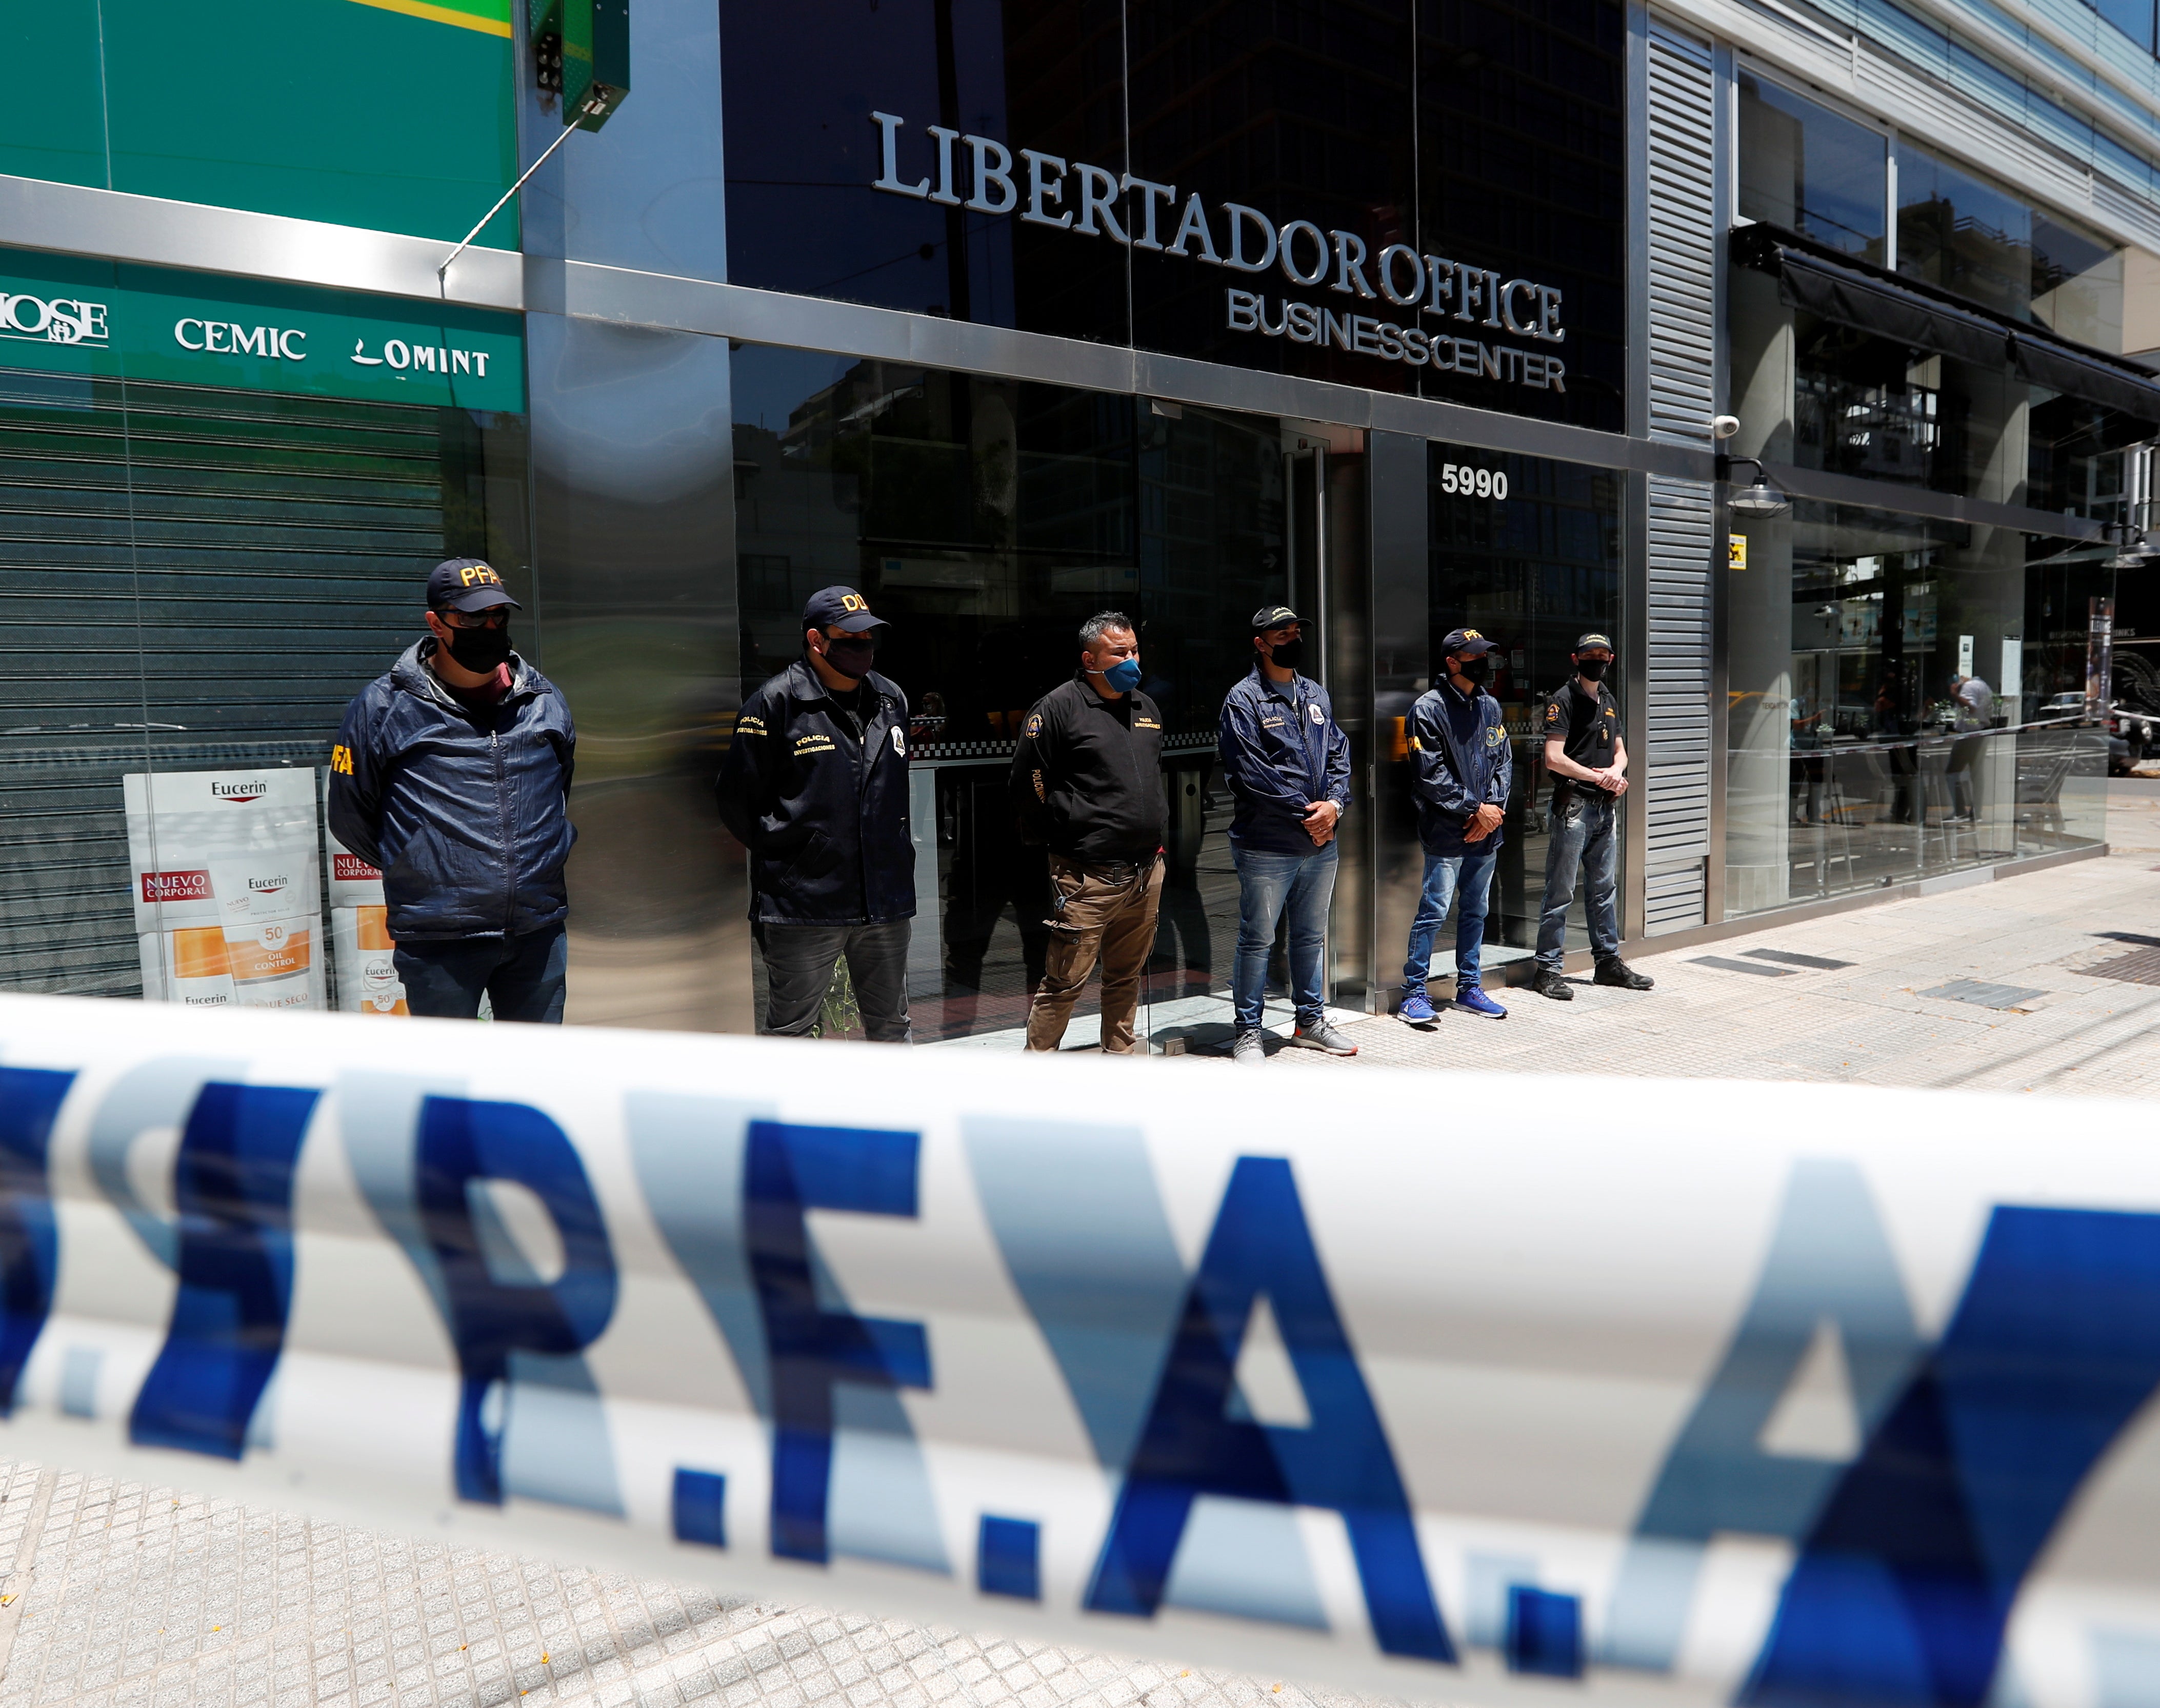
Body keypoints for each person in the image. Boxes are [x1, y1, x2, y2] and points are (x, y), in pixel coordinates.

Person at [327, 557, 576, 1021]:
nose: (488, 625)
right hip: (439, 938)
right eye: (471, 617)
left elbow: (558, 791)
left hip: (537, 930)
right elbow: (350, 816)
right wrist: (424, 864)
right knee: (448, 1081)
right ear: (436, 623)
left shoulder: (544, 701)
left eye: (497, 615)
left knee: (536, 1073)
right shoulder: (383, 708)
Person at [714, 587, 915, 1041]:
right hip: (806, 903)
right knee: (791, 1032)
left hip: (884, 899)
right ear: (817, 640)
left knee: (892, 1027)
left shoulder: (890, 699)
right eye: (850, 638)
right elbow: (736, 800)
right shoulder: (775, 702)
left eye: (868, 639)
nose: (863, 648)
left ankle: (892, 1112)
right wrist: (798, 856)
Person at [1009, 612, 1166, 1053]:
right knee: (1064, 984)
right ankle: (1036, 1079)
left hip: (1145, 872)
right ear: (1089, 657)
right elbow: (1028, 783)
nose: (1131, 658)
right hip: (1087, 878)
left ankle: (1119, 1064)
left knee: (1125, 978)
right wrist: (1066, 837)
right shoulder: (1058, 708)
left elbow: (1151, 775)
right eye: (1120, 652)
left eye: (1134, 650)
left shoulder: (1146, 707)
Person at [1216, 605, 1358, 1064]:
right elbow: (1251, 773)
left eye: (1297, 631)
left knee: (1310, 936)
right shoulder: (1244, 699)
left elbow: (1339, 753)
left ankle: (1309, 1021)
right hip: (1268, 843)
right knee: (1258, 938)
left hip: (1321, 841)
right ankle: (1248, 1032)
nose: (1294, 638)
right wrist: (1310, 814)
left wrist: (1335, 806)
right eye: (1283, 633)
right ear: (1260, 643)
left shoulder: (1315, 694)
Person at [1529, 632, 1654, 1001]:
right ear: (1576, 658)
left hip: (1604, 808)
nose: (1595, 659)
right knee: (1561, 890)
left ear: (1610, 659)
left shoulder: (1608, 699)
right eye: (1589, 654)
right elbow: (1554, 757)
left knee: (1604, 891)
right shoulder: (1563, 700)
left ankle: (1608, 963)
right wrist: (1600, 776)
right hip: (1575, 807)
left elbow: (1620, 750)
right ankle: (1548, 970)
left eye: (1602, 654)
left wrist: (1616, 772)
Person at [1397, 628, 1512, 1026]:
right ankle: (1413, 994)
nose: (1484, 662)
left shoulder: (1490, 706)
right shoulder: (1427, 709)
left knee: (1476, 911)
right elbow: (1430, 775)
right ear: (1452, 661)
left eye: (1485, 655)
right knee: (1434, 911)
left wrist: (1492, 810)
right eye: (1475, 655)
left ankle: (1469, 987)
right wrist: (1475, 809)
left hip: (1486, 830)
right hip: (1447, 830)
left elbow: (1503, 761)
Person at [1945, 670, 1994, 822]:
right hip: (1981, 732)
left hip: (1969, 733)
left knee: (1952, 772)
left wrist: (1955, 695)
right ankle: (1977, 812)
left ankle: (1960, 811)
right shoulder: (1984, 686)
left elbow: (1971, 707)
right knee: (1977, 774)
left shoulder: (1969, 687)